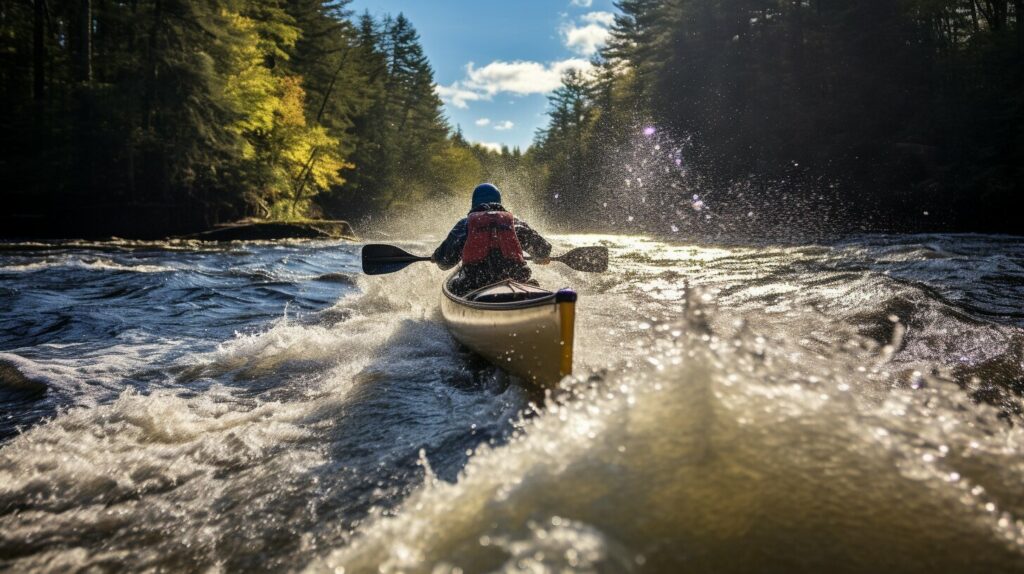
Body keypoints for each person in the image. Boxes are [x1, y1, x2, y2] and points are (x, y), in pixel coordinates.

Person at [433, 183, 552, 295]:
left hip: (475, 282)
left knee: (452, 286)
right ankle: (529, 292)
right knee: (526, 278)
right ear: (499, 201)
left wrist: (437, 257)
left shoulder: (466, 224)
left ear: (474, 202)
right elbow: (543, 249)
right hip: (515, 277)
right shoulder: (513, 222)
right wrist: (541, 257)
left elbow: (445, 262)